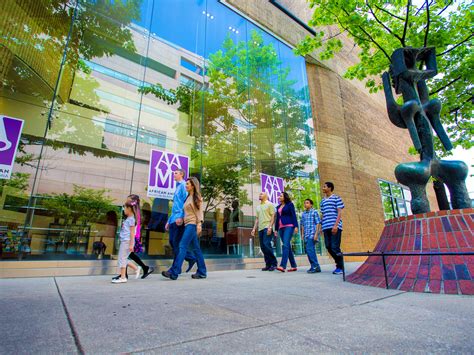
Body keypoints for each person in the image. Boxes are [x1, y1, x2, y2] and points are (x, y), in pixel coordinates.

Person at [162, 177, 207, 280]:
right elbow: (187, 211)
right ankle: (202, 272)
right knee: (196, 249)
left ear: (193, 186)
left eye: (187, 184)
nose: (186, 185)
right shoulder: (188, 197)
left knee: (182, 246)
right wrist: (181, 218)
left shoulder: (197, 197)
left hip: (192, 224)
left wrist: (199, 224)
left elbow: (199, 212)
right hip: (187, 224)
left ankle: (174, 272)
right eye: (186, 183)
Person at [112, 195, 154, 280]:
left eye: (129, 201)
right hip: (131, 237)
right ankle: (140, 269)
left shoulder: (135, 213)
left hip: (132, 237)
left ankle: (127, 273)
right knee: (128, 255)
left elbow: (136, 227)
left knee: (126, 255)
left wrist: (136, 239)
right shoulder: (134, 212)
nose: (127, 203)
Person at [165, 169, 196, 273]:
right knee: (172, 242)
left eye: (176, 173)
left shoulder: (183, 185)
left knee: (176, 243)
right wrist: (169, 220)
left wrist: (182, 217)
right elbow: (174, 205)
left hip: (179, 218)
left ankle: (174, 270)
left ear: (181, 174)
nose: (174, 174)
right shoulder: (177, 187)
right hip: (173, 218)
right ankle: (190, 258)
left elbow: (185, 203)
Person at [320, 182, 345, 275]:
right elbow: (323, 214)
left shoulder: (336, 198)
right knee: (328, 246)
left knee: (335, 246)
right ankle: (339, 263)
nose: (323, 188)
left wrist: (336, 225)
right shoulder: (322, 201)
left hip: (335, 226)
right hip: (326, 226)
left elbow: (339, 212)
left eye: (324, 186)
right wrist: (321, 227)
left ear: (330, 188)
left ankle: (340, 267)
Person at [251, 192, 277, 271]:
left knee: (267, 244)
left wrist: (270, 227)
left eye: (261, 194)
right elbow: (257, 219)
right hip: (260, 228)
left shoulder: (270, 204)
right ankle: (268, 264)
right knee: (263, 247)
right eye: (259, 194)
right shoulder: (258, 207)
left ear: (266, 196)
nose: (260, 195)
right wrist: (254, 228)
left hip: (267, 227)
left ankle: (274, 263)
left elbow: (273, 216)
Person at [112, 201, 136, 284]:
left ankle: (123, 277)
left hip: (127, 241)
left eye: (124, 208)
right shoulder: (129, 219)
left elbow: (133, 233)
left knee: (122, 259)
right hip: (125, 241)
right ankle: (135, 269)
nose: (123, 210)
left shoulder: (132, 219)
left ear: (129, 209)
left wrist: (131, 244)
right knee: (122, 259)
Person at [274, 192, 298, 273]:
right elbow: (277, 219)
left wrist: (296, 226)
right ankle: (293, 266)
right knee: (287, 246)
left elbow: (293, 215)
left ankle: (282, 265)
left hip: (289, 226)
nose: (279, 197)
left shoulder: (290, 204)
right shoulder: (278, 207)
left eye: (281, 196)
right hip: (281, 228)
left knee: (285, 245)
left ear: (285, 197)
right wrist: (276, 229)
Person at [300, 198, 322, 273]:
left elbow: (318, 223)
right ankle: (315, 266)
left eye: (307, 203)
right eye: (305, 203)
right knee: (309, 251)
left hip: (312, 234)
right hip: (306, 235)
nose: (305, 204)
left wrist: (316, 234)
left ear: (311, 204)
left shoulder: (314, 212)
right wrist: (302, 234)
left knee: (310, 250)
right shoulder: (303, 214)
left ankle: (315, 266)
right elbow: (302, 224)